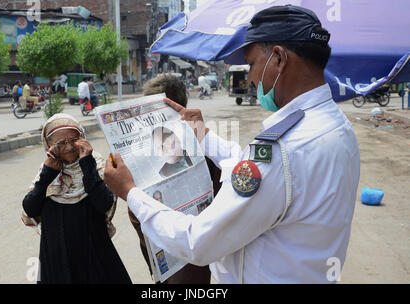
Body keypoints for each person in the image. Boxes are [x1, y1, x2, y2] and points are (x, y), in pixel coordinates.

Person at [104, 5, 360, 284]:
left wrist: (131, 193)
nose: (249, 78)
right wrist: (203, 135)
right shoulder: (335, 126)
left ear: (278, 58)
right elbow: (268, 176)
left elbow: (198, 242)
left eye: (251, 64)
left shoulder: (283, 149)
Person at [127, 74, 222, 284]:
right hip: (157, 245)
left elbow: (217, 195)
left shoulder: (202, 147)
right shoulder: (145, 152)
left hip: (192, 245)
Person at [21, 114, 132, 284]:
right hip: (56, 262)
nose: (68, 148)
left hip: (94, 258)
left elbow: (104, 203)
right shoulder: (46, 170)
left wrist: (87, 164)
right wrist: (47, 176)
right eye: (60, 143)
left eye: (73, 140)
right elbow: (30, 208)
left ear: (82, 138)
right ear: (49, 145)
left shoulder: (96, 164)